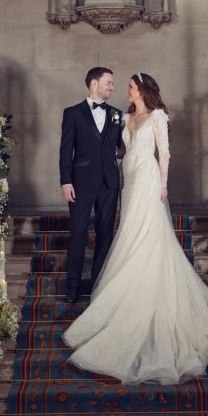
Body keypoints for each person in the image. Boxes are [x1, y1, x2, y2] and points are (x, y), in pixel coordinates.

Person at [63, 72, 208, 385]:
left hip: (148, 178)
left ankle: (143, 281)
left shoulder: (158, 116)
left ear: (142, 90)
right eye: (122, 86)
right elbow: (112, 147)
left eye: (130, 87)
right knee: (128, 231)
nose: (124, 89)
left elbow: (165, 152)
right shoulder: (125, 116)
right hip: (129, 181)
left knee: (147, 231)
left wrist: (163, 184)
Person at [59, 67, 123, 304]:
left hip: (109, 183)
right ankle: (72, 287)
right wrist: (65, 180)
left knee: (105, 234)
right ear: (94, 83)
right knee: (77, 234)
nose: (112, 87)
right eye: (109, 82)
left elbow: (122, 146)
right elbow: (66, 150)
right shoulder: (72, 113)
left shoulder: (117, 114)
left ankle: (99, 284)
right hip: (80, 183)